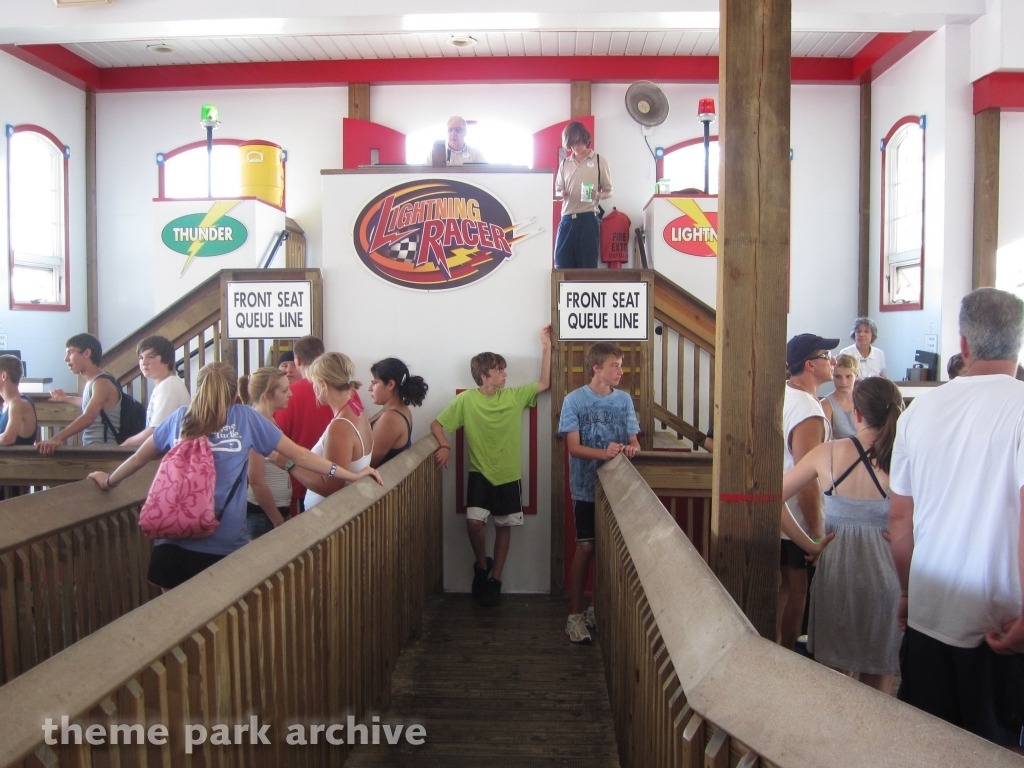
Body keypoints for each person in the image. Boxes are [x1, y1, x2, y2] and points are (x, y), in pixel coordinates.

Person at [87, 362, 381, 591]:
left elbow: (140, 457)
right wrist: (351, 475)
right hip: (221, 543)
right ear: (234, 394)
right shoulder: (244, 417)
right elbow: (301, 456)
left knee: (176, 632)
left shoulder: (179, 418)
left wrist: (109, 480)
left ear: (199, 389)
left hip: (171, 543)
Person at [889, 288, 1024, 747]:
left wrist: (907, 592)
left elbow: (900, 524)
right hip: (1000, 626)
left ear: (964, 345)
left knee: (926, 750)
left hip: (930, 615)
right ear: (1018, 344)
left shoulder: (917, 413)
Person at [783, 377, 904, 693]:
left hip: (838, 573)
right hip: (888, 575)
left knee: (835, 686)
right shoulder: (907, 458)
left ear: (857, 413)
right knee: (879, 680)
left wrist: (809, 543)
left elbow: (772, 499)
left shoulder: (828, 453)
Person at [431, 326, 553, 607]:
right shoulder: (466, 400)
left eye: (504, 369)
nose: (505, 374)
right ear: (484, 375)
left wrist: (545, 346)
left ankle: (495, 580)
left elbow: (544, 384)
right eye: (499, 370)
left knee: (503, 526)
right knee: (474, 523)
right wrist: (445, 445)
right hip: (480, 474)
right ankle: (481, 567)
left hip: (509, 474)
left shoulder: (513, 396)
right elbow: (437, 424)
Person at [559, 342, 640, 643]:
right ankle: (575, 616)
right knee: (587, 548)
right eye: (614, 365)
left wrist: (631, 449)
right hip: (585, 487)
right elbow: (574, 448)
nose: (621, 371)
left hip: (618, 487)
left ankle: (595, 609)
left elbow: (635, 441)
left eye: (621, 364)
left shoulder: (624, 401)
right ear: (596, 368)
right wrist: (604, 453)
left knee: (609, 551)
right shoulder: (574, 400)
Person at [779, 333, 837, 651]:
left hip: (785, 517)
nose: (833, 361)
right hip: (797, 522)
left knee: (787, 591)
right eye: (827, 356)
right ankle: (784, 658)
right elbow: (806, 476)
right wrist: (815, 535)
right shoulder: (807, 411)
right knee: (796, 596)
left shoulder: (788, 396)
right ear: (811, 364)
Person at [291, 352, 374, 510]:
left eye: (313, 383)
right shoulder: (356, 411)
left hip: (326, 516)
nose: (313, 388)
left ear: (322, 384)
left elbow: (331, 488)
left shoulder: (340, 426)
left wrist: (290, 465)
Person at [273, 336, 334, 515]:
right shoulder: (345, 390)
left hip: (300, 483)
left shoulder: (289, 395)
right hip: (339, 480)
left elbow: (276, 441)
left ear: (297, 359)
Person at [37, 333, 122, 454]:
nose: (66, 359)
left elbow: (89, 416)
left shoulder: (102, 382)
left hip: (104, 451)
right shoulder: (92, 382)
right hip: (95, 448)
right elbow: (89, 403)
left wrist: (55, 439)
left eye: (70, 352)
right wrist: (65, 398)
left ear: (87, 353)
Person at [238, 367, 292, 539]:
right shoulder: (257, 423)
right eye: (284, 390)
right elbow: (256, 480)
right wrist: (276, 519)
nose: (290, 393)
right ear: (267, 396)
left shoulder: (268, 419)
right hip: (263, 516)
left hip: (273, 512)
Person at [554, 121, 613, 269]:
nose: (576, 147)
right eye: (572, 144)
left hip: (588, 219)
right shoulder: (564, 164)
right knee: (561, 264)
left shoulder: (599, 160)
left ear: (585, 139)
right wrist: (561, 193)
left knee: (587, 266)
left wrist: (599, 195)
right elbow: (556, 190)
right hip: (567, 219)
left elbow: (609, 190)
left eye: (578, 142)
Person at [121, 335, 191, 448]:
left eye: (150, 357)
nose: (144, 362)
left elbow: (156, 433)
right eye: (141, 358)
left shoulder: (168, 386)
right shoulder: (165, 384)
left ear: (166, 360)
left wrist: (124, 446)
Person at [368, 357, 428, 468]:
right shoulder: (397, 410)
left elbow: (368, 463)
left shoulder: (391, 418)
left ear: (391, 384)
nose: (369, 388)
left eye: (374, 383)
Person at [0, 354, 37, 446]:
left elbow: (7, 439)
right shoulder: (5, 404)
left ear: (4, 376)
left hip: (16, 459)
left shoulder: (19, 404)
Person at [820, 353, 859, 439]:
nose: (843, 382)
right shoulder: (826, 404)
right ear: (832, 375)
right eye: (838, 377)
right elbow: (828, 440)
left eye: (848, 376)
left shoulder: (864, 400)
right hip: (838, 451)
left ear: (856, 376)